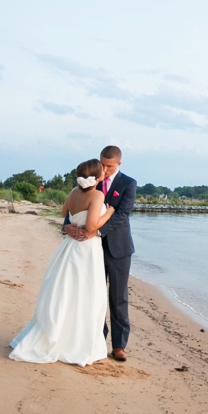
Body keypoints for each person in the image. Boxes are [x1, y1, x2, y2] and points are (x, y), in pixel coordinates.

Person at [9, 159, 115, 366]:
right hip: (86, 248)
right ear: (98, 176)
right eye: (102, 170)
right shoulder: (97, 195)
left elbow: (63, 213)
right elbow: (93, 224)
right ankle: (74, 342)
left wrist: (73, 225)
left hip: (69, 246)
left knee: (66, 290)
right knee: (85, 293)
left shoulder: (73, 193)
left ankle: (60, 333)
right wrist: (109, 212)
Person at [64, 145, 136, 362]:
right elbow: (72, 209)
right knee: (92, 295)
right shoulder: (88, 179)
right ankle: (96, 340)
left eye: (109, 166)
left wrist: (94, 231)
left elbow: (122, 214)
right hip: (88, 250)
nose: (104, 169)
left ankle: (119, 346)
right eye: (102, 164)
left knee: (118, 297)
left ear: (119, 164)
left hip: (118, 249)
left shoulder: (128, 184)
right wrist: (67, 226)